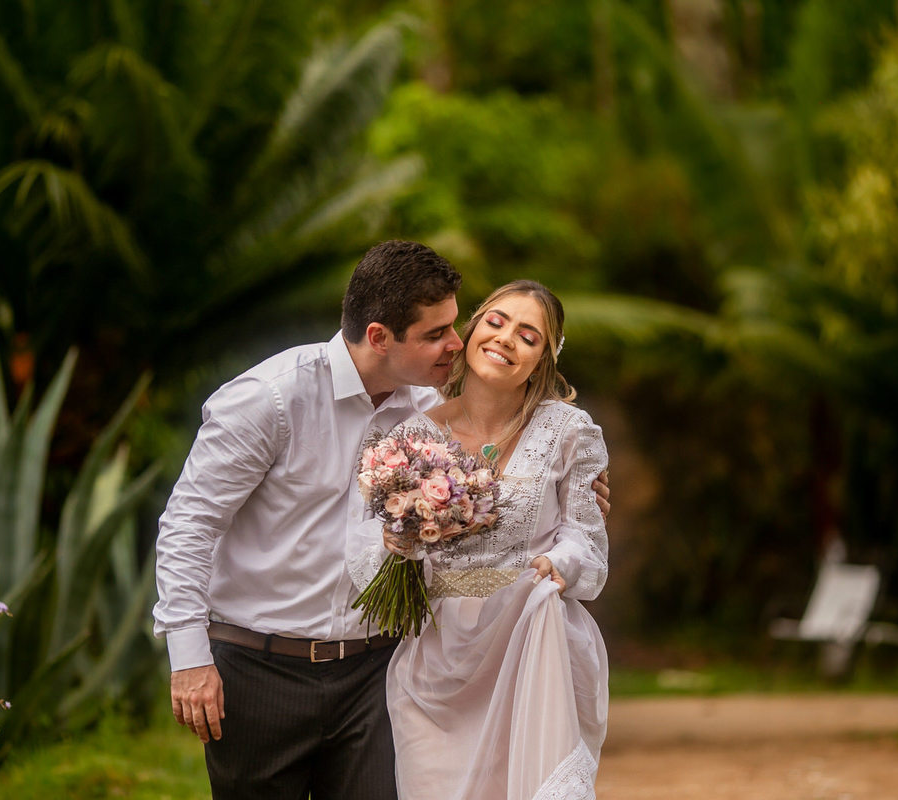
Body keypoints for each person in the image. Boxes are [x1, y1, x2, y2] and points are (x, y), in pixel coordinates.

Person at [153, 244, 608, 800]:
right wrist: (189, 659)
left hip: (377, 672)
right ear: (379, 337)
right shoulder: (270, 399)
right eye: (438, 333)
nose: (458, 342)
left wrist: (570, 499)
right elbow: (189, 523)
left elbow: (516, 450)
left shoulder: (423, 404)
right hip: (261, 669)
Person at [347, 280, 609, 800]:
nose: (508, 339)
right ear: (470, 331)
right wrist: (395, 543)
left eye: (529, 336)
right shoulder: (409, 436)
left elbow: (588, 541)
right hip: (435, 661)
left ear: (543, 360)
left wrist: (559, 563)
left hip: (529, 646)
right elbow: (363, 553)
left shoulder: (570, 431)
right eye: (496, 322)